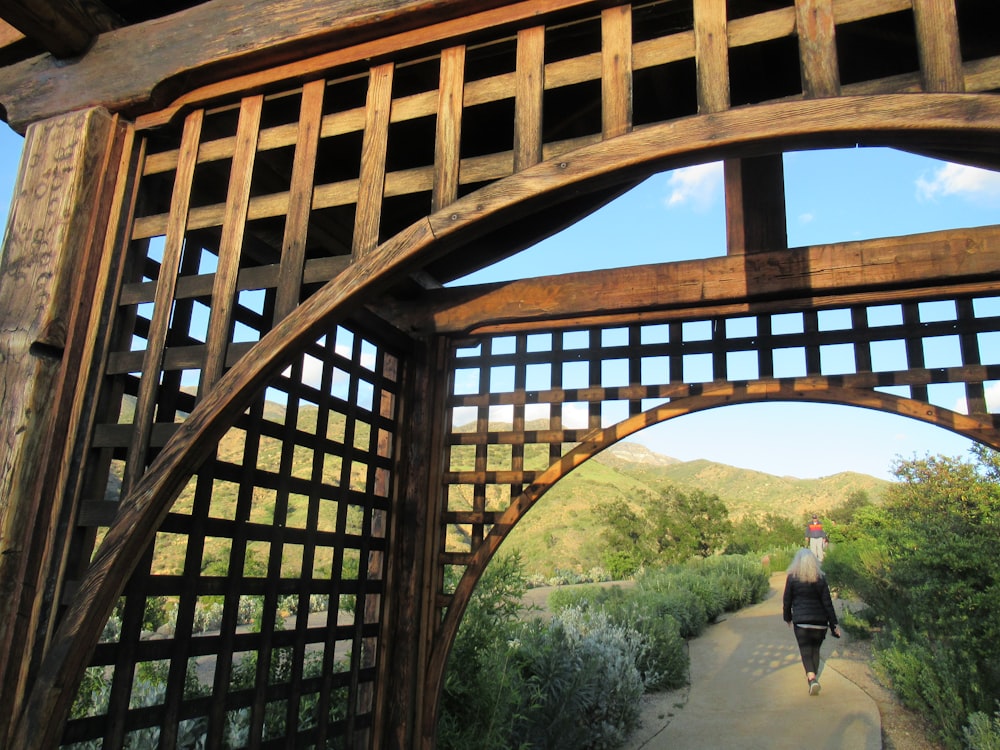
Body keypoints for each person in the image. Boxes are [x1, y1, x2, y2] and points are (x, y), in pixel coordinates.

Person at [783, 548, 840, 695]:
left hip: (801, 622)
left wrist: (787, 617)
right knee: (815, 650)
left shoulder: (792, 578)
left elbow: (787, 600)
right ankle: (813, 678)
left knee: (805, 650)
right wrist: (834, 624)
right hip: (820, 622)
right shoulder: (820, 578)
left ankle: (812, 678)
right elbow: (827, 603)